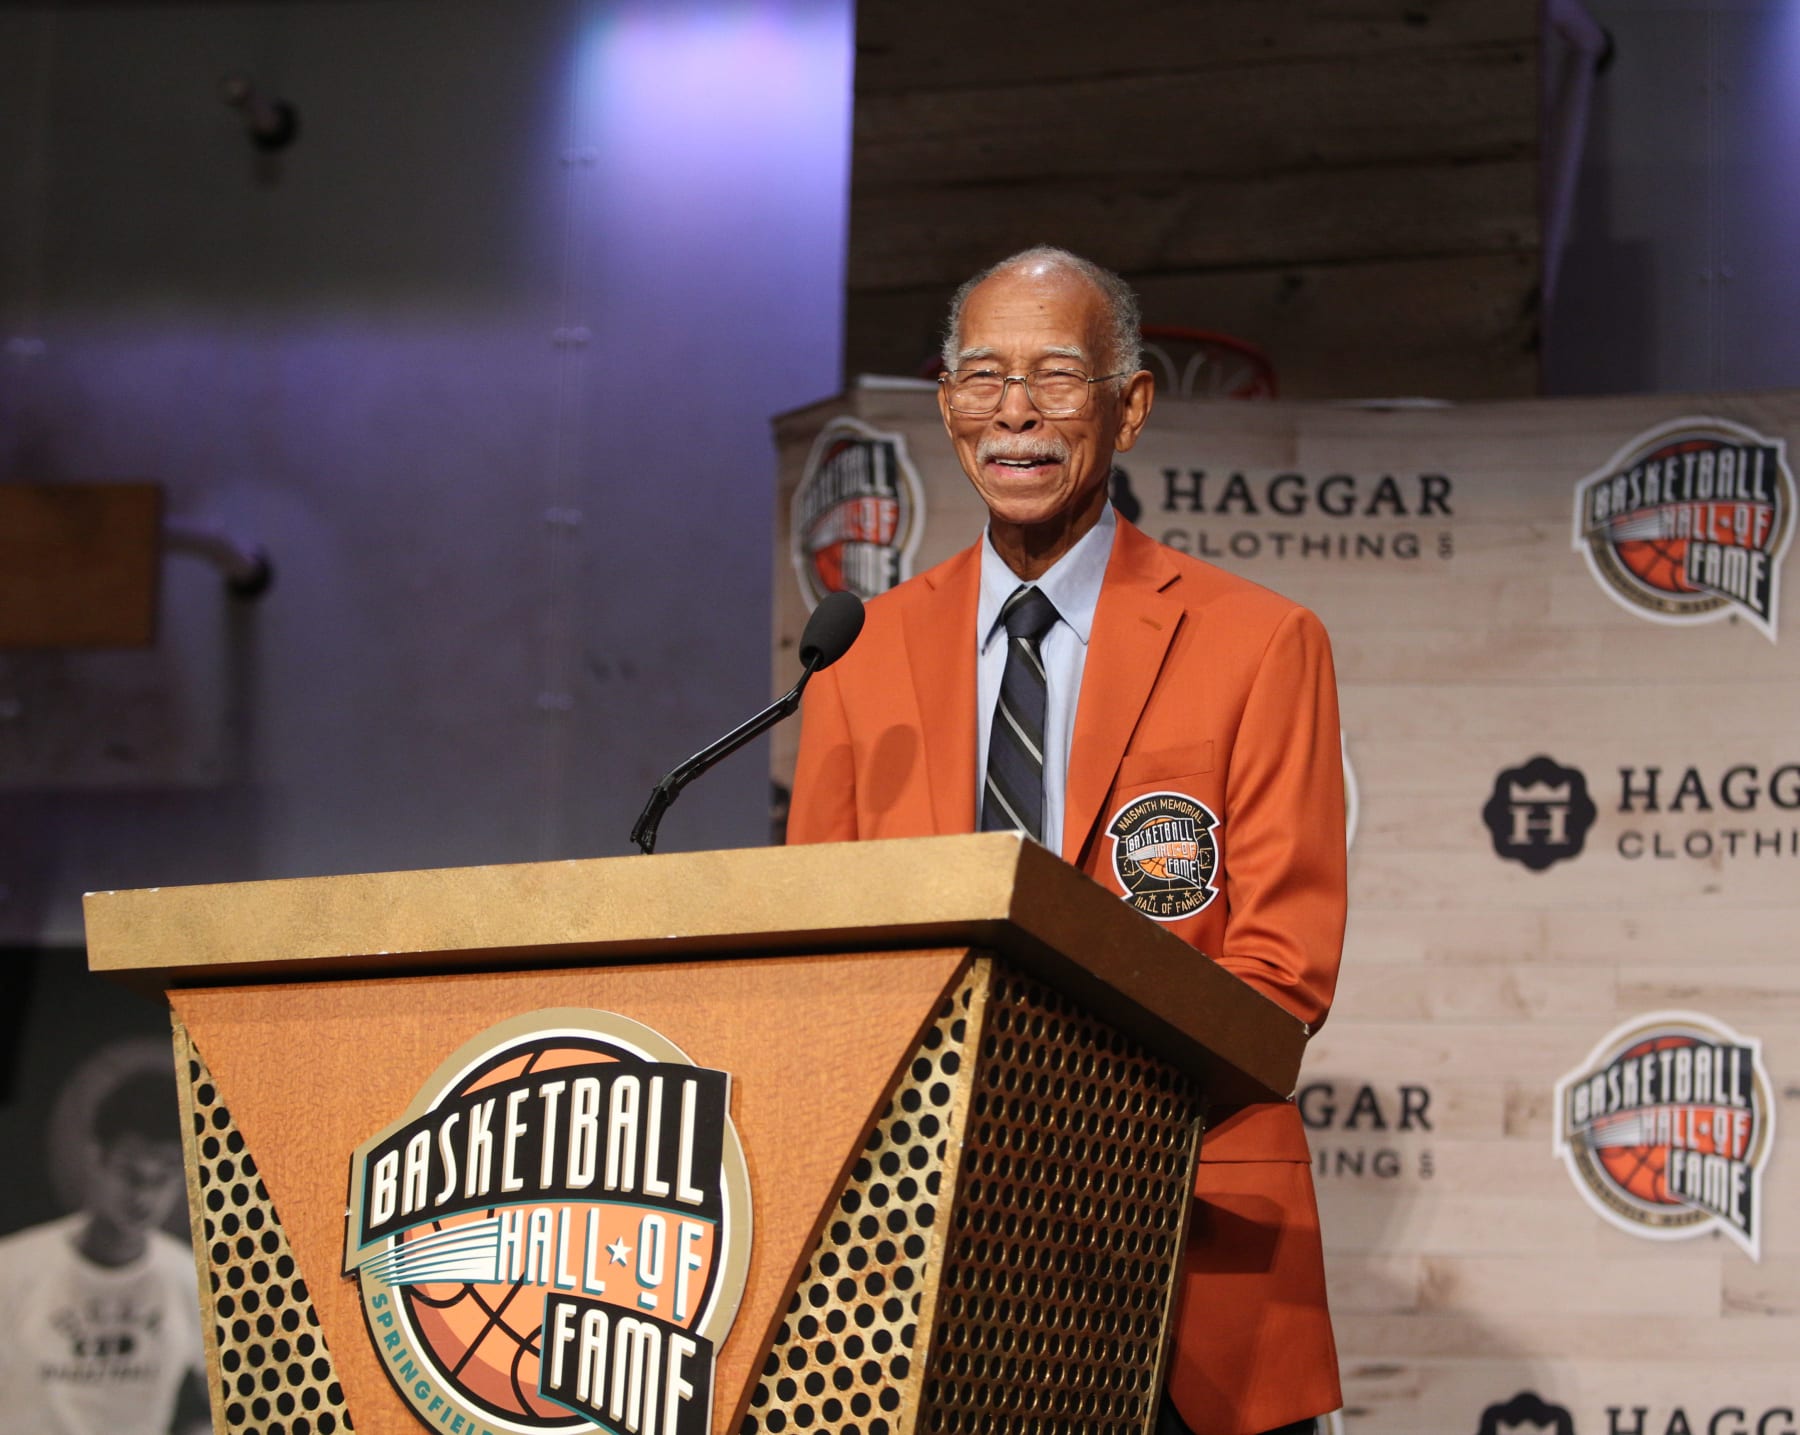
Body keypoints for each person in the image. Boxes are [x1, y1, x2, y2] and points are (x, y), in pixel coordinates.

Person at [787, 246, 1347, 1435]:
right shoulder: (857, 654)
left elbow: (1283, 973)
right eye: (984, 376)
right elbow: (816, 966)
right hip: (913, 1267)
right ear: (946, 404)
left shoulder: (1260, 643)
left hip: (1177, 1246)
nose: (1018, 412)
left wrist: (1060, 1115)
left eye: (1056, 375)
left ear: (1130, 405)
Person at [0, 1070, 211, 1435]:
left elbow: (217, 1410)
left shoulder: (192, 1281)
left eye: (162, 1178)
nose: (143, 1197)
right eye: (131, 1174)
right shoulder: (12, 1267)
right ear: (97, 1157)